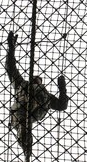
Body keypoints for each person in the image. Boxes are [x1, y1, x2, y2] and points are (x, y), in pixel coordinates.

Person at [6, 31, 68, 159]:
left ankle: (26, 146)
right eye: (35, 78)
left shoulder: (47, 97)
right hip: (20, 111)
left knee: (24, 127)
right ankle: (26, 147)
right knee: (22, 127)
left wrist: (62, 89)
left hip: (32, 112)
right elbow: (10, 67)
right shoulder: (21, 84)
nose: (37, 80)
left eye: (39, 80)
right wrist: (11, 48)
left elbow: (62, 105)